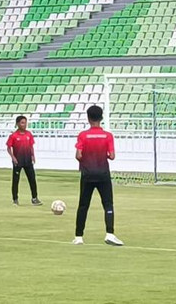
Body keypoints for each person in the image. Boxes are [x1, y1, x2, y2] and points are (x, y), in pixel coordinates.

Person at [73, 105, 123, 246]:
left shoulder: (83, 135)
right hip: (103, 174)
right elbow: (112, 156)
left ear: (88, 118)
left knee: (83, 205)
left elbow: (78, 155)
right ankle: (110, 234)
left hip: (87, 174)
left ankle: (78, 237)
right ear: (101, 118)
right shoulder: (107, 136)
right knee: (108, 204)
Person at [6, 116, 41, 206]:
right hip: (18, 161)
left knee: (32, 179)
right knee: (16, 180)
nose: (24, 124)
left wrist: (33, 155)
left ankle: (34, 198)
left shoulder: (29, 134)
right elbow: (9, 148)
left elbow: (31, 146)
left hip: (28, 160)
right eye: (22, 122)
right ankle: (15, 199)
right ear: (17, 124)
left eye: (25, 122)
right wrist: (13, 157)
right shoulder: (13, 136)